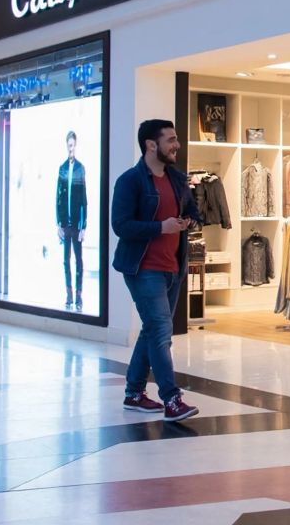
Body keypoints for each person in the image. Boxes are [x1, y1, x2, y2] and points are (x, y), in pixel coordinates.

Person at [111, 119, 202, 421]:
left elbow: (192, 211)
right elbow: (121, 226)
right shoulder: (130, 181)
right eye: (171, 140)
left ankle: (134, 393)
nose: (177, 145)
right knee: (162, 332)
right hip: (143, 267)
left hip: (173, 266)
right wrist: (159, 227)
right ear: (151, 145)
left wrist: (189, 220)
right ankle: (172, 399)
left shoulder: (177, 179)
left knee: (152, 329)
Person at [56, 130, 88, 311]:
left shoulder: (80, 168)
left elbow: (84, 198)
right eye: (68, 145)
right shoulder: (62, 168)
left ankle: (79, 296)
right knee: (66, 261)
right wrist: (57, 223)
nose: (71, 148)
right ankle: (68, 296)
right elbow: (58, 197)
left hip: (76, 224)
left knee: (78, 260)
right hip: (64, 223)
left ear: (75, 145)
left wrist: (84, 225)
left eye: (73, 145)